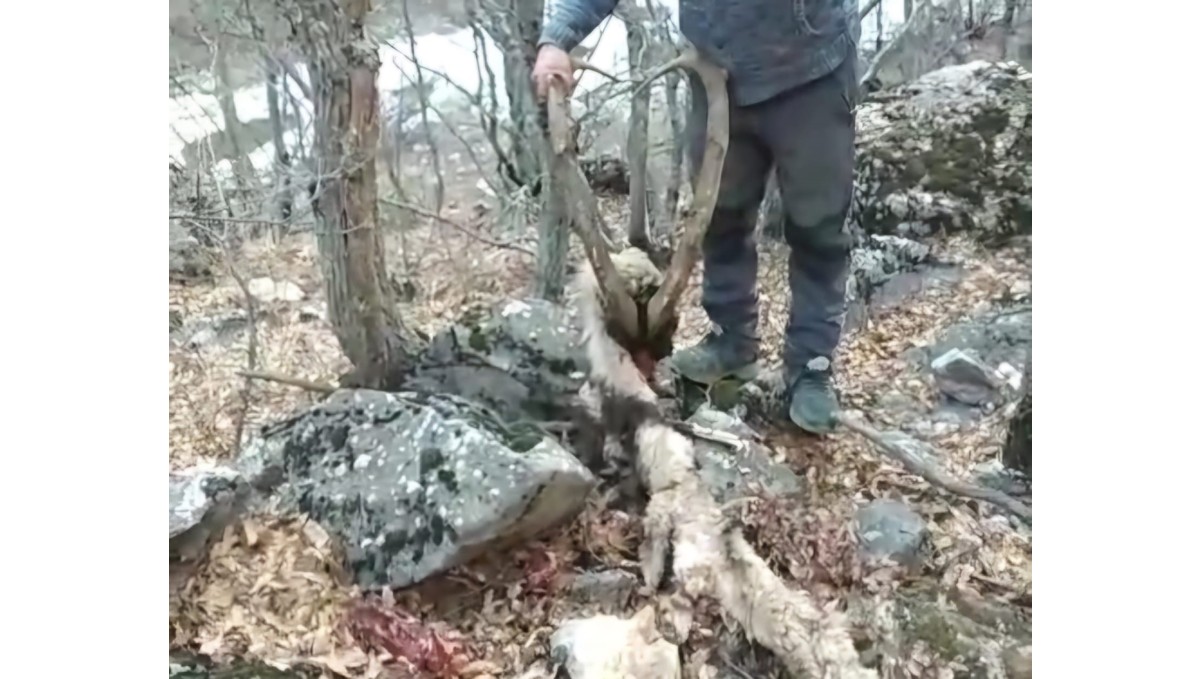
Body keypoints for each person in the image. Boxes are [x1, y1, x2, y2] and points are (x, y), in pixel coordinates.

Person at [532, 0, 861, 434]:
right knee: (719, 218)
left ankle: (811, 365)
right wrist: (558, 38)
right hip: (719, 73)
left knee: (817, 229)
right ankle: (732, 341)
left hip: (811, 70)